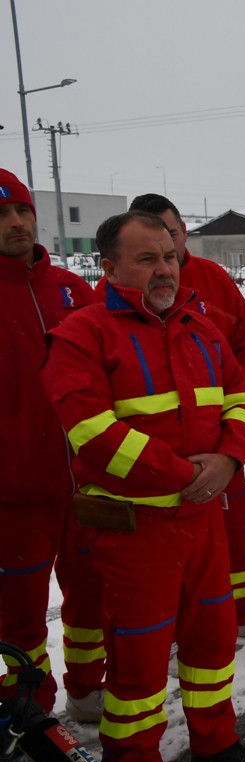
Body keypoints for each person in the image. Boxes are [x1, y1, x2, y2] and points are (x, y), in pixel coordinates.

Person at [43, 211, 245, 762]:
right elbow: (92, 433)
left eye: (169, 256)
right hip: (136, 530)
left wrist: (228, 458)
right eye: (147, 259)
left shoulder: (200, 328)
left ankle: (214, 742)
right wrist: (184, 474)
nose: (165, 269)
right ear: (110, 267)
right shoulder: (81, 335)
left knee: (211, 638)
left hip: (203, 522)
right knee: (140, 659)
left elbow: (240, 397)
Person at [128, 193, 245, 644]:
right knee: (162, 550)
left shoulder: (212, 280)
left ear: (182, 232)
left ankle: (241, 613)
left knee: (233, 532)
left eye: (170, 236)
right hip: (154, 456)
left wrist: (231, 425)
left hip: (220, 446)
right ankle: (172, 630)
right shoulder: (117, 302)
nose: (164, 255)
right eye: (150, 247)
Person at [0, 168, 105, 724]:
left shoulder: (72, 288)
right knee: (20, 615)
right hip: (15, 493)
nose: (16, 222)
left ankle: (87, 690)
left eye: (22, 210)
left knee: (91, 596)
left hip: (86, 483)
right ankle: (29, 712)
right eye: (1, 215)